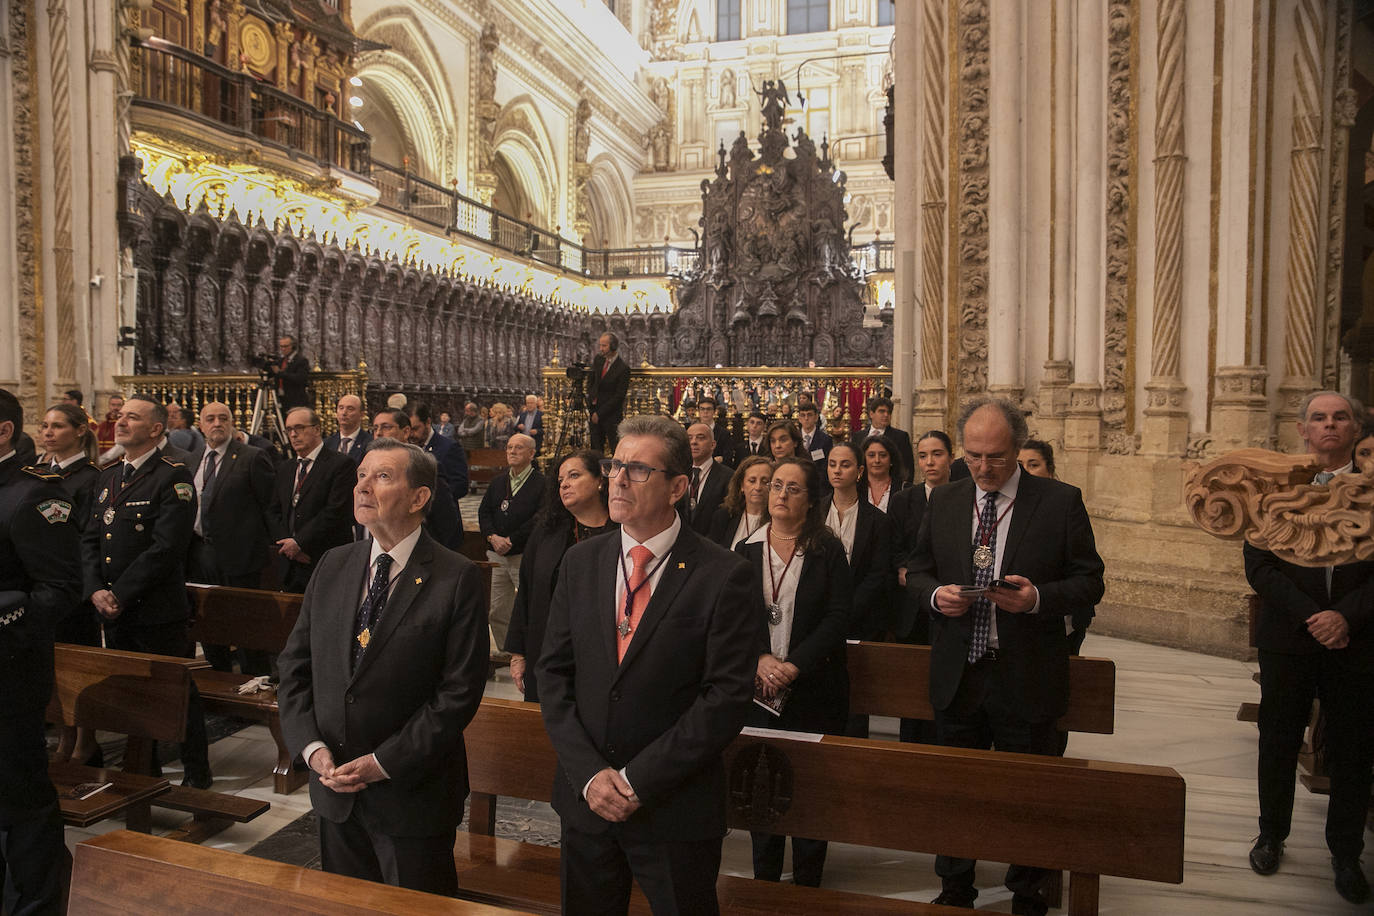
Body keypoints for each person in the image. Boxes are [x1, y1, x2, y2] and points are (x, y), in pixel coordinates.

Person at [537, 415, 761, 915]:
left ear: (678, 486)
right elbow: (552, 675)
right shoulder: (582, 562)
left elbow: (724, 698)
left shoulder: (723, 575)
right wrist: (591, 775)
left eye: (637, 470)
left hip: (673, 809)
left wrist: (638, 782)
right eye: (615, 465)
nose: (616, 479)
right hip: (586, 802)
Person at [906, 397, 1105, 914]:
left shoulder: (1059, 501)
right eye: (973, 455)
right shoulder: (946, 501)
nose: (983, 467)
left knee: (1027, 794)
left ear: (1017, 448)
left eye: (995, 457)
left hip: (1026, 674)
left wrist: (1036, 598)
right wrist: (935, 596)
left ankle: (1027, 889)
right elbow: (918, 569)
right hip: (960, 673)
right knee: (957, 791)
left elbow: (1090, 581)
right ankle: (955, 887)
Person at [278, 440, 489, 896]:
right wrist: (312, 749)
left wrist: (381, 763)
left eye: (383, 477)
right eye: (361, 476)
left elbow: (457, 696)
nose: (363, 487)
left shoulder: (457, 577)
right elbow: (295, 666)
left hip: (411, 795)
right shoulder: (334, 564)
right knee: (347, 907)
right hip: (335, 788)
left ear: (419, 498)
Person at [1243, 390, 1373, 905]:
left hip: (1358, 639)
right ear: (1302, 429)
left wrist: (1346, 616)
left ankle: (1345, 852)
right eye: (1318, 418)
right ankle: (1271, 834)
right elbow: (1259, 565)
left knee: (1353, 747)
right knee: (1277, 739)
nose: (1329, 425)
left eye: (1340, 417)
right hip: (1289, 637)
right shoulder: (1275, 488)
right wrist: (1311, 615)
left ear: (1356, 428)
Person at [82, 394, 214, 788]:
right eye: (120, 416)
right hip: (112, 607)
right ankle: (145, 766)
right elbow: (89, 539)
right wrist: (94, 590)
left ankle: (196, 770)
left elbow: (166, 548)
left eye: (132, 418)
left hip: (155, 608)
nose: (120, 423)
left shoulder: (173, 474)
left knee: (174, 692)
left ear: (155, 429)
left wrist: (118, 593)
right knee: (131, 692)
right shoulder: (107, 475)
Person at [737, 456, 853, 887]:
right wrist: (760, 658)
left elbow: (838, 617)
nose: (780, 494)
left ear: (810, 500)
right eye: (775, 486)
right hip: (757, 688)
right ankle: (764, 879)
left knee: (809, 788)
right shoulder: (746, 549)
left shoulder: (826, 549)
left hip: (814, 686)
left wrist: (793, 664)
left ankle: (808, 882)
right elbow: (732, 618)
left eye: (792, 488)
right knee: (760, 785)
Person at [0, 388, 82, 915]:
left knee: (22, 798)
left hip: (9, 675)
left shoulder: (34, 494)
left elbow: (59, 590)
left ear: (3, 430)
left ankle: (40, 903)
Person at [505, 449, 615, 702]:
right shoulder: (546, 533)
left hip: (604, 654)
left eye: (574, 476)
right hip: (549, 649)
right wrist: (518, 653)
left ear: (600, 480)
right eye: (561, 480)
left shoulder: (624, 530)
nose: (564, 484)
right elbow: (527, 593)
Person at [186, 402, 276, 673]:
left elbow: (269, 506)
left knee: (244, 628)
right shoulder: (190, 460)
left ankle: (255, 682)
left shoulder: (251, 456)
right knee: (209, 625)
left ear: (232, 422)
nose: (217, 423)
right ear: (200, 425)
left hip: (240, 557)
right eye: (210, 418)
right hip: (200, 553)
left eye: (223, 418)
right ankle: (218, 680)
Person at [39, 403, 103, 765]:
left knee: (78, 666)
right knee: (53, 667)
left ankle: (86, 740)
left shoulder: (89, 477)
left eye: (58, 426)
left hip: (72, 583)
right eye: (45, 426)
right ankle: (65, 735)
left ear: (79, 431)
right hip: (42, 582)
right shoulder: (38, 473)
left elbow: (84, 535)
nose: (48, 432)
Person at [889, 429, 955, 745]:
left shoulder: (964, 496)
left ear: (951, 457)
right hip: (912, 605)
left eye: (937, 454)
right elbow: (896, 545)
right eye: (923, 456)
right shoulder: (904, 500)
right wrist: (905, 569)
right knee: (912, 689)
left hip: (951, 602)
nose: (930, 462)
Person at [270, 406, 356, 593]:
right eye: (289, 430)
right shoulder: (285, 468)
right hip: (290, 562)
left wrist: (300, 543)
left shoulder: (340, 464)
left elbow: (336, 511)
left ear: (317, 429)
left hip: (323, 557)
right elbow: (274, 511)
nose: (293, 435)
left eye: (299, 428)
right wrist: (287, 545)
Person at [479, 433, 545, 652]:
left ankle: (527, 651)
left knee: (529, 605)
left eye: (518, 448)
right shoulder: (499, 481)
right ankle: (506, 651)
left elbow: (540, 517)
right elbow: (484, 511)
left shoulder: (541, 483)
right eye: (509, 447)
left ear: (531, 453)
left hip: (523, 554)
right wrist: (492, 537)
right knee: (497, 609)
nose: (512, 451)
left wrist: (512, 539)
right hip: (497, 554)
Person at [823, 442, 893, 645]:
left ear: (859, 471)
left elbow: (877, 574)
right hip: (816, 614)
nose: (837, 470)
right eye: (832, 464)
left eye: (845, 465)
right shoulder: (814, 512)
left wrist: (846, 611)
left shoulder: (878, 520)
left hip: (860, 617)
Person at [370, 411, 462, 550]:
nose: (378, 433)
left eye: (386, 427)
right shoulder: (368, 466)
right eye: (375, 428)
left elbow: (445, 520)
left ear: (406, 431)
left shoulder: (423, 466)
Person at [708, 456, 772, 550]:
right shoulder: (723, 517)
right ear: (742, 485)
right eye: (752, 481)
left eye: (765, 481)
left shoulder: (777, 521)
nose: (758, 487)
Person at [683, 422, 732, 535]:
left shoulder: (728, 477)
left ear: (713, 445)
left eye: (700, 438)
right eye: (689, 438)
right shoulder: (678, 474)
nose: (693, 442)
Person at [588, 332, 630, 452]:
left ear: (613, 346)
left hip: (611, 415)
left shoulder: (623, 368)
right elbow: (591, 382)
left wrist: (600, 413)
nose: (601, 348)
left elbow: (619, 396)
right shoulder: (598, 360)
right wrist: (591, 404)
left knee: (615, 449)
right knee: (595, 450)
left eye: (604, 346)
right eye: (600, 345)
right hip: (594, 411)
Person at [858, 396, 915, 482]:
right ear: (871, 414)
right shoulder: (858, 436)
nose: (886, 415)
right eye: (881, 411)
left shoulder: (901, 437)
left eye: (889, 412)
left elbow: (908, 467)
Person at [859, 433, 907, 512]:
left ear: (891, 460)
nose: (877, 460)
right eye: (871, 455)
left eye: (883, 455)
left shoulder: (905, 489)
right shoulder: (855, 489)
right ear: (864, 459)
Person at [325, 393, 373, 463]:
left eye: (350, 409)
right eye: (341, 408)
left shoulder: (370, 444)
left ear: (362, 414)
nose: (344, 413)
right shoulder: (327, 444)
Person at [270, 335, 311, 410]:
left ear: (293, 346)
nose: (283, 349)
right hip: (281, 397)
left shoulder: (301, 361)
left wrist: (280, 373)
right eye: (281, 346)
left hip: (295, 399)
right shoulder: (280, 361)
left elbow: (300, 378)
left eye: (285, 346)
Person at [695, 395, 735, 461]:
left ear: (714, 411)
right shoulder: (692, 431)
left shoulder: (724, 433)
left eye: (708, 409)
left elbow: (728, 457)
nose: (705, 412)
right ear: (698, 411)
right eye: (702, 409)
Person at [797, 401, 833, 473]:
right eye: (803, 415)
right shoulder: (794, 438)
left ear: (816, 417)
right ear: (799, 418)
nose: (806, 418)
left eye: (809, 415)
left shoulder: (825, 440)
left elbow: (826, 466)